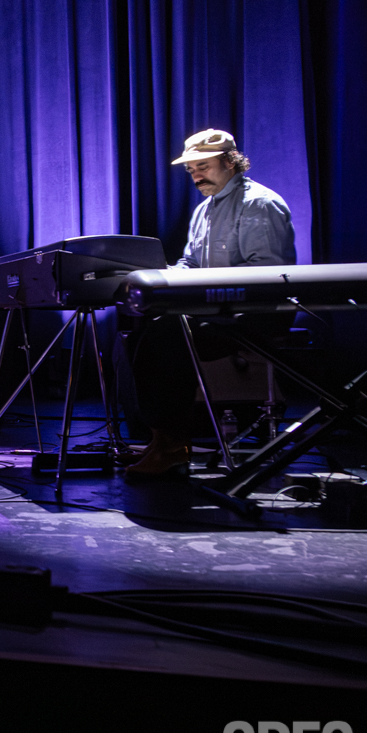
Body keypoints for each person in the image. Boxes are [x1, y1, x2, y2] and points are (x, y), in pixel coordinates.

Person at [125, 129, 296, 476]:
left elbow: (265, 273)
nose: (196, 176)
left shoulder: (259, 204)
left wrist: (201, 293)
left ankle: (172, 445)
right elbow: (191, 264)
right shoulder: (204, 209)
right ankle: (163, 439)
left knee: (169, 336)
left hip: (258, 313)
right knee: (142, 331)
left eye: (203, 166)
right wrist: (156, 275)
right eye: (191, 170)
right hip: (218, 308)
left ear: (231, 162)